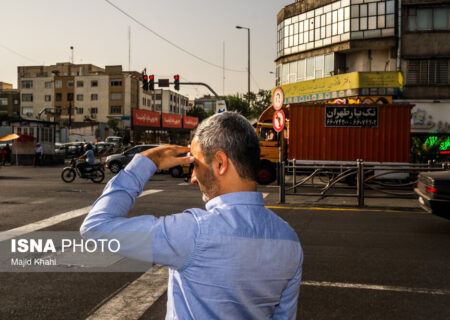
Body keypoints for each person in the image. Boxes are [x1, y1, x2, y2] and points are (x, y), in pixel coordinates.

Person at [80, 112, 303, 319]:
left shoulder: (194, 232)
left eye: (194, 164)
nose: (193, 177)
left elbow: (96, 227)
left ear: (220, 163)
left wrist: (147, 162)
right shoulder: (290, 240)